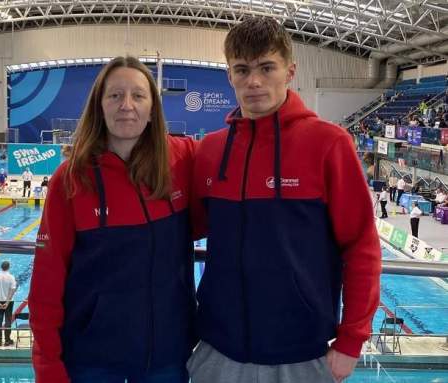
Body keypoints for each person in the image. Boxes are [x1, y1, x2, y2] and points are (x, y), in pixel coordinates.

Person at [189, 17, 381, 383]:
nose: (254, 81)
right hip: (217, 350)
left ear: (289, 71)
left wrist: (351, 341)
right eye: (242, 70)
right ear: (229, 76)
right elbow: (186, 226)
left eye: (266, 67)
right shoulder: (212, 150)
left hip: (302, 356)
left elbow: (361, 245)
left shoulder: (329, 143)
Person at [28, 56, 196, 383]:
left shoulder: (180, 161)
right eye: (115, 95)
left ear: (152, 111)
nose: (126, 105)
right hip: (91, 361)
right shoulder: (71, 179)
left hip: (166, 357)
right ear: (99, 107)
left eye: (138, 95)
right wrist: (47, 364)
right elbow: (47, 280)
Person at [0, 261, 17, 347]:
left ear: (1, 267)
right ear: (8, 267)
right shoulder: (11, 277)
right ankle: (7, 341)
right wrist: (7, 302)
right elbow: (12, 290)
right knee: (8, 321)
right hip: (8, 302)